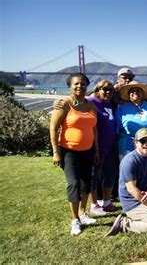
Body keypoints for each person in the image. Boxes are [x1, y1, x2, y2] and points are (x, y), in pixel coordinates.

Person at [49, 73, 99, 236]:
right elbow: (53, 128)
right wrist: (56, 152)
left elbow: (94, 129)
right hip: (69, 151)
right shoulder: (64, 104)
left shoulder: (91, 106)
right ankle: (74, 220)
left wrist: (96, 150)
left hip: (88, 150)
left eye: (83, 84)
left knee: (86, 184)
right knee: (74, 184)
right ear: (70, 86)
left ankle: (83, 214)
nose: (80, 86)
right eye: (76, 84)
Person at [87, 80, 118, 215]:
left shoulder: (109, 104)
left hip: (109, 147)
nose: (108, 92)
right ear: (97, 89)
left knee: (110, 174)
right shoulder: (91, 102)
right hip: (96, 147)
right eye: (105, 89)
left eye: (111, 90)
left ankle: (106, 201)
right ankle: (93, 204)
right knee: (94, 177)